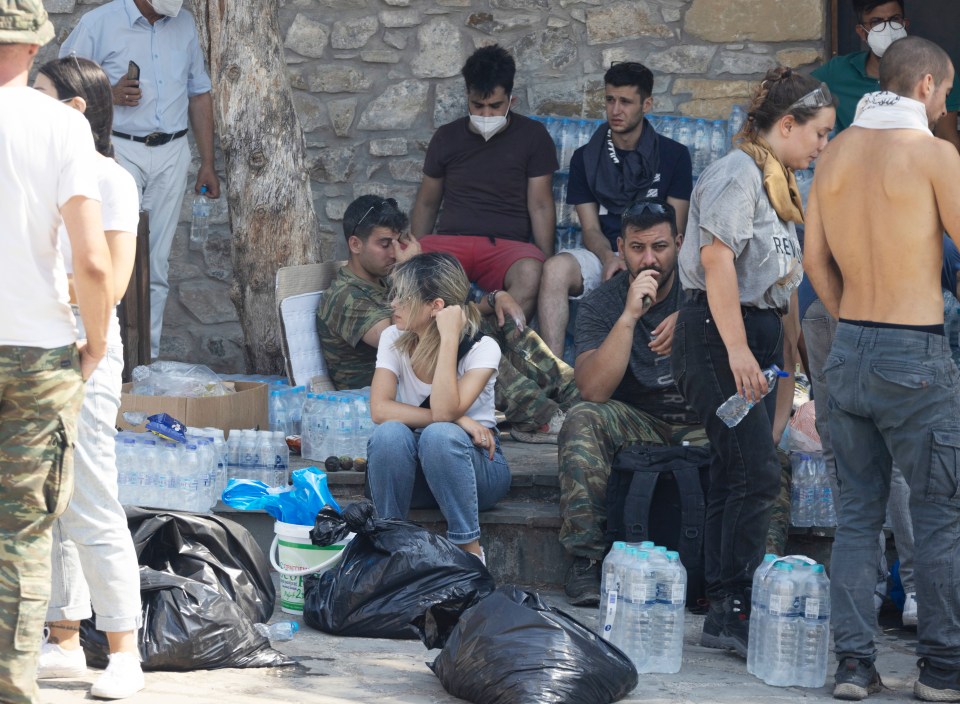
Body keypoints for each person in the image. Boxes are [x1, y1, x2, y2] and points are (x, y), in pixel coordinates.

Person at [804, 36, 960, 701]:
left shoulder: (834, 153)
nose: (946, 104)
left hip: (849, 348)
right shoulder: (933, 154)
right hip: (914, 350)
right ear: (924, 85)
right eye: (947, 92)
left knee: (858, 518)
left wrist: (848, 326)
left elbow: (813, 264)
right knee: (938, 516)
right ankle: (943, 671)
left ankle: (854, 667)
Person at [672, 67, 835, 658]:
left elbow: (784, 284)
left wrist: (788, 363)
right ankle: (733, 605)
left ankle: (723, 602)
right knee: (756, 471)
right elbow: (717, 260)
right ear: (786, 125)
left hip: (757, 337)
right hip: (720, 337)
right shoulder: (737, 174)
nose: (823, 145)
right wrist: (738, 349)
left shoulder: (782, 182)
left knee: (737, 468)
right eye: (818, 133)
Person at [0, 2, 114, 701]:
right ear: (39, 42)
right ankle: (12, 681)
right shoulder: (61, 125)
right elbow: (94, 264)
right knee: (21, 532)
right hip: (40, 352)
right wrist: (95, 342)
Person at [32, 57, 144, 700]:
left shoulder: (110, 179)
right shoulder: (32, 174)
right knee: (46, 500)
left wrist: (36, 284)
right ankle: (64, 638)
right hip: (32, 342)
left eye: (40, 96)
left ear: (76, 110)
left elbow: (113, 280)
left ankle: (124, 648)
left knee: (93, 495)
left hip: (87, 346)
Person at [318, 195, 579, 444]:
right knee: (473, 341)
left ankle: (573, 391)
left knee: (500, 320)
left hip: (426, 375)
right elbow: (405, 332)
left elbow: (442, 311)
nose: (395, 253)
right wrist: (414, 267)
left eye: (399, 243)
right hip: (397, 392)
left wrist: (493, 299)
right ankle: (543, 419)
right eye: (385, 244)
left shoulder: (385, 279)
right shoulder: (344, 296)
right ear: (355, 245)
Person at [558, 198, 705, 605]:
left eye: (659, 247)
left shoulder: (704, 291)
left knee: (769, 456)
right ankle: (587, 560)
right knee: (583, 417)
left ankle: (749, 576)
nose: (649, 259)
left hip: (704, 418)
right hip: (641, 421)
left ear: (678, 243)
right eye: (637, 249)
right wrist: (628, 317)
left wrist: (694, 319)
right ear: (621, 249)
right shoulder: (602, 304)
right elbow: (593, 390)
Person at [61, 0, 221, 359]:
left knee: (156, 267)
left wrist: (207, 162)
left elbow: (199, 92)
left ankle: (144, 361)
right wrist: (109, 94)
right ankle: (107, 357)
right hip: (119, 150)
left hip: (172, 151)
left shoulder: (184, 24)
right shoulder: (98, 23)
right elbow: (61, 88)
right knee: (114, 260)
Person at [537, 61, 693, 357]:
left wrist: (642, 260)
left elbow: (677, 230)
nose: (615, 110)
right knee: (555, 269)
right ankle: (554, 371)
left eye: (625, 102)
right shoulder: (586, 158)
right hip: (606, 255)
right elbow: (591, 229)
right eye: (610, 100)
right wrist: (609, 257)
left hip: (653, 256)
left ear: (646, 104)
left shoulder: (674, 156)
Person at [367, 252, 511, 564]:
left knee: (440, 435)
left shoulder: (483, 348)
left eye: (403, 297)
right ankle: (388, 544)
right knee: (390, 434)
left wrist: (448, 338)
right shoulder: (394, 337)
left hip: (477, 471)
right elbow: (379, 409)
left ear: (436, 307)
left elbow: (445, 413)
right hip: (417, 471)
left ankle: (469, 552)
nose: (393, 304)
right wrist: (464, 421)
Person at [410, 44, 557, 322]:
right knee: (407, 270)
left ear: (511, 100)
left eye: (495, 106)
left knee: (531, 274)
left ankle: (492, 350)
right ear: (467, 98)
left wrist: (545, 258)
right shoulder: (446, 137)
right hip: (449, 244)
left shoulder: (533, 136)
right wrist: (415, 251)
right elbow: (428, 202)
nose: (486, 115)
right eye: (478, 105)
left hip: (508, 248)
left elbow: (540, 204)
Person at [812, 0, 960, 149]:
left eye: (895, 19)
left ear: (905, 24)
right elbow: (796, 95)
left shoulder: (937, 71)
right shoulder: (837, 71)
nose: (887, 28)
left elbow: (947, 137)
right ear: (862, 32)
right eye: (876, 22)